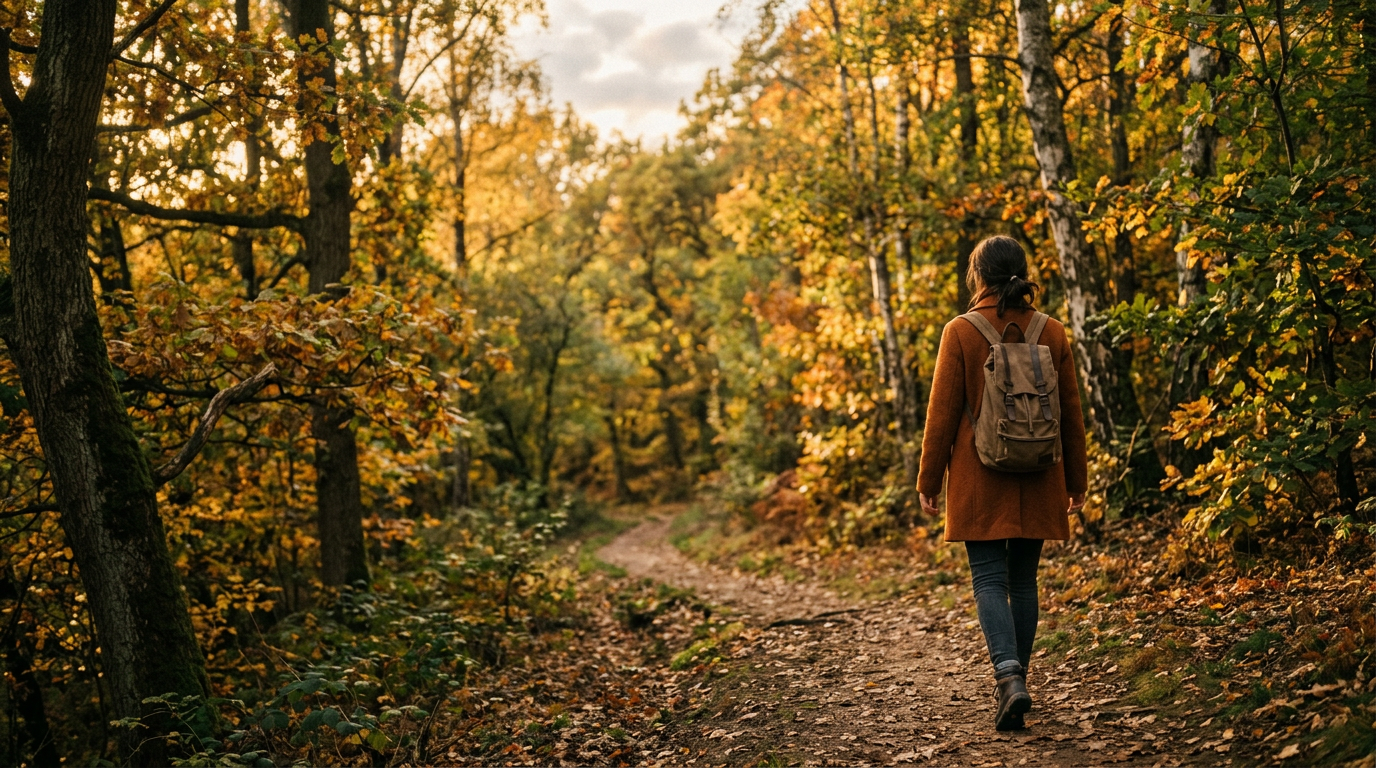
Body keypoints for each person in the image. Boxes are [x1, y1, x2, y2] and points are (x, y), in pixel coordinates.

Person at [916, 235, 1088, 731]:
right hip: (1040, 473)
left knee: (989, 579)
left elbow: (942, 413)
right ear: (1020, 273)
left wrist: (929, 478)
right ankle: (1019, 681)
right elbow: (1071, 415)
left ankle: (1008, 679)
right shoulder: (1051, 332)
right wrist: (1076, 480)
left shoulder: (961, 332)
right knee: (1024, 581)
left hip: (979, 475)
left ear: (979, 276)